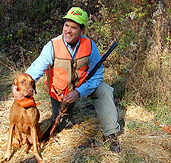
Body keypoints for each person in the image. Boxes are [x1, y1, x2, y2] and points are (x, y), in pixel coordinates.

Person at [12, 7, 121, 152]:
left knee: (104, 90)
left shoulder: (89, 45)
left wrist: (80, 92)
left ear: (82, 31)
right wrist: (18, 87)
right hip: (61, 95)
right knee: (63, 125)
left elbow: (98, 75)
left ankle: (111, 134)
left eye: (73, 28)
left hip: (83, 88)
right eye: (66, 25)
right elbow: (35, 70)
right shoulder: (52, 46)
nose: (68, 31)